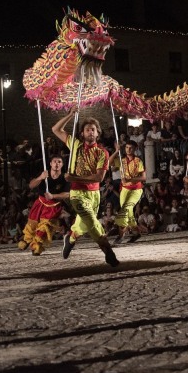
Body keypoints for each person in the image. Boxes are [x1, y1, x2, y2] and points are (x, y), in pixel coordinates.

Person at [51, 110, 119, 267]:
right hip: (77, 194)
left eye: (93, 129)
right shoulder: (75, 145)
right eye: (87, 129)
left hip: (94, 194)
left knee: (85, 223)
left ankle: (71, 237)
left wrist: (73, 177)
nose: (90, 131)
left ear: (97, 134)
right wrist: (70, 114)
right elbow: (55, 129)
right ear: (82, 133)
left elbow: (99, 178)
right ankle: (108, 252)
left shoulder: (103, 152)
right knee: (92, 221)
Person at [19, 154, 70, 255]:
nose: (57, 164)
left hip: (53, 206)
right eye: (55, 161)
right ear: (50, 163)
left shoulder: (65, 177)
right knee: (32, 223)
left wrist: (53, 196)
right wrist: (40, 177)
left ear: (62, 164)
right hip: (40, 202)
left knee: (44, 226)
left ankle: (36, 245)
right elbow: (31, 185)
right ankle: (27, 239)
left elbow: (67, 194)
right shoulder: (44, 174)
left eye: (59, 162)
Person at [109, 140, 146, 244]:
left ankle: (121, 233)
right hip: (125, 189)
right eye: (127, 147)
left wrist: (129, 180)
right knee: (128, 212)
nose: (128, 150)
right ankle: (136, 233)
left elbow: (143, 177)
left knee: (126, 209)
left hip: (136, 189)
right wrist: (116, 151)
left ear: (135, 149)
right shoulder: (121, 160)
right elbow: (108, 163)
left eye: (131, 148)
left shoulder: (138, 161)